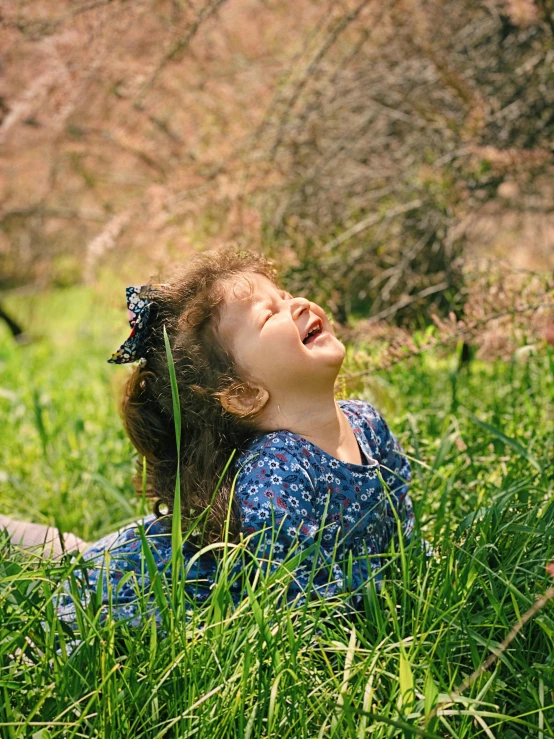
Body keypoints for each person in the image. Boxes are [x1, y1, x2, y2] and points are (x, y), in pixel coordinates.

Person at [5, 246, 415, 626]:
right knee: (73, 561)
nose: (298, 305)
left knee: (67, 549)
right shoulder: (278, 473)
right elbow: (296, 611)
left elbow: (401, 527)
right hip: (138, 583)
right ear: (243, 393)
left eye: (286, 295)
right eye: (270, 315)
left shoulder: (367, 423)